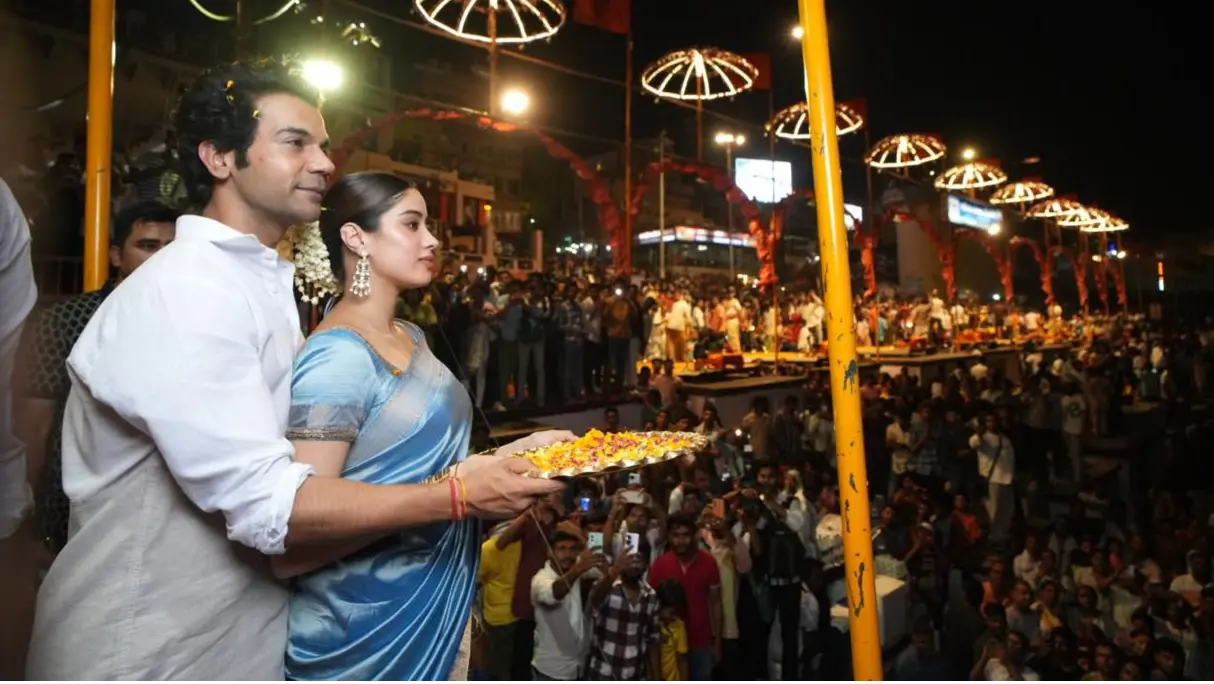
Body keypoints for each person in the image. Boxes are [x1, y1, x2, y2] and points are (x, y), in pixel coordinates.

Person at [25, 61, 563, 684]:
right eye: (295, 142)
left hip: (244, 646)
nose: (325, 163)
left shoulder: (257, 284)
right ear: (220, 157)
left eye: (325, 145)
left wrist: (485, 472)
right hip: (149, 653)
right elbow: (272, 511)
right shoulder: (186, 292)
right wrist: (462, 494)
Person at [15, 201, 179, 553]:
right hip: (72, 507)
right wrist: (26, 512)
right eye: (148, 246)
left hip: (161, 514)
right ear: (117, 255)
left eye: (172, 248)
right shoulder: (67, 320)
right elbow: (35, 424)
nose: (163, 257)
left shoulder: (194, 321)